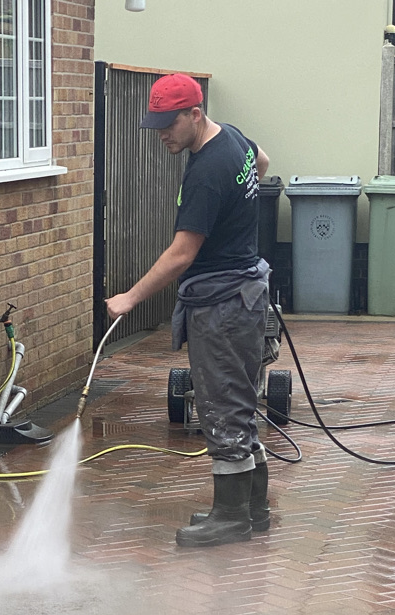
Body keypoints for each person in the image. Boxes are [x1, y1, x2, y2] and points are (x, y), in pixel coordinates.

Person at [107, 73, 271, 548]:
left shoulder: (205, 173)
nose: (161, 134)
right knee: (239, 401)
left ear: (194, 114)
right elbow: (262, 162)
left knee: (221, 405)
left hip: (222, 305)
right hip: (247, 292)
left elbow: (182, 253)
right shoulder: (234, 138)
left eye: (168, 124)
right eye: (155, 123)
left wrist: (129, 298)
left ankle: (230, 517)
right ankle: (252, 510)